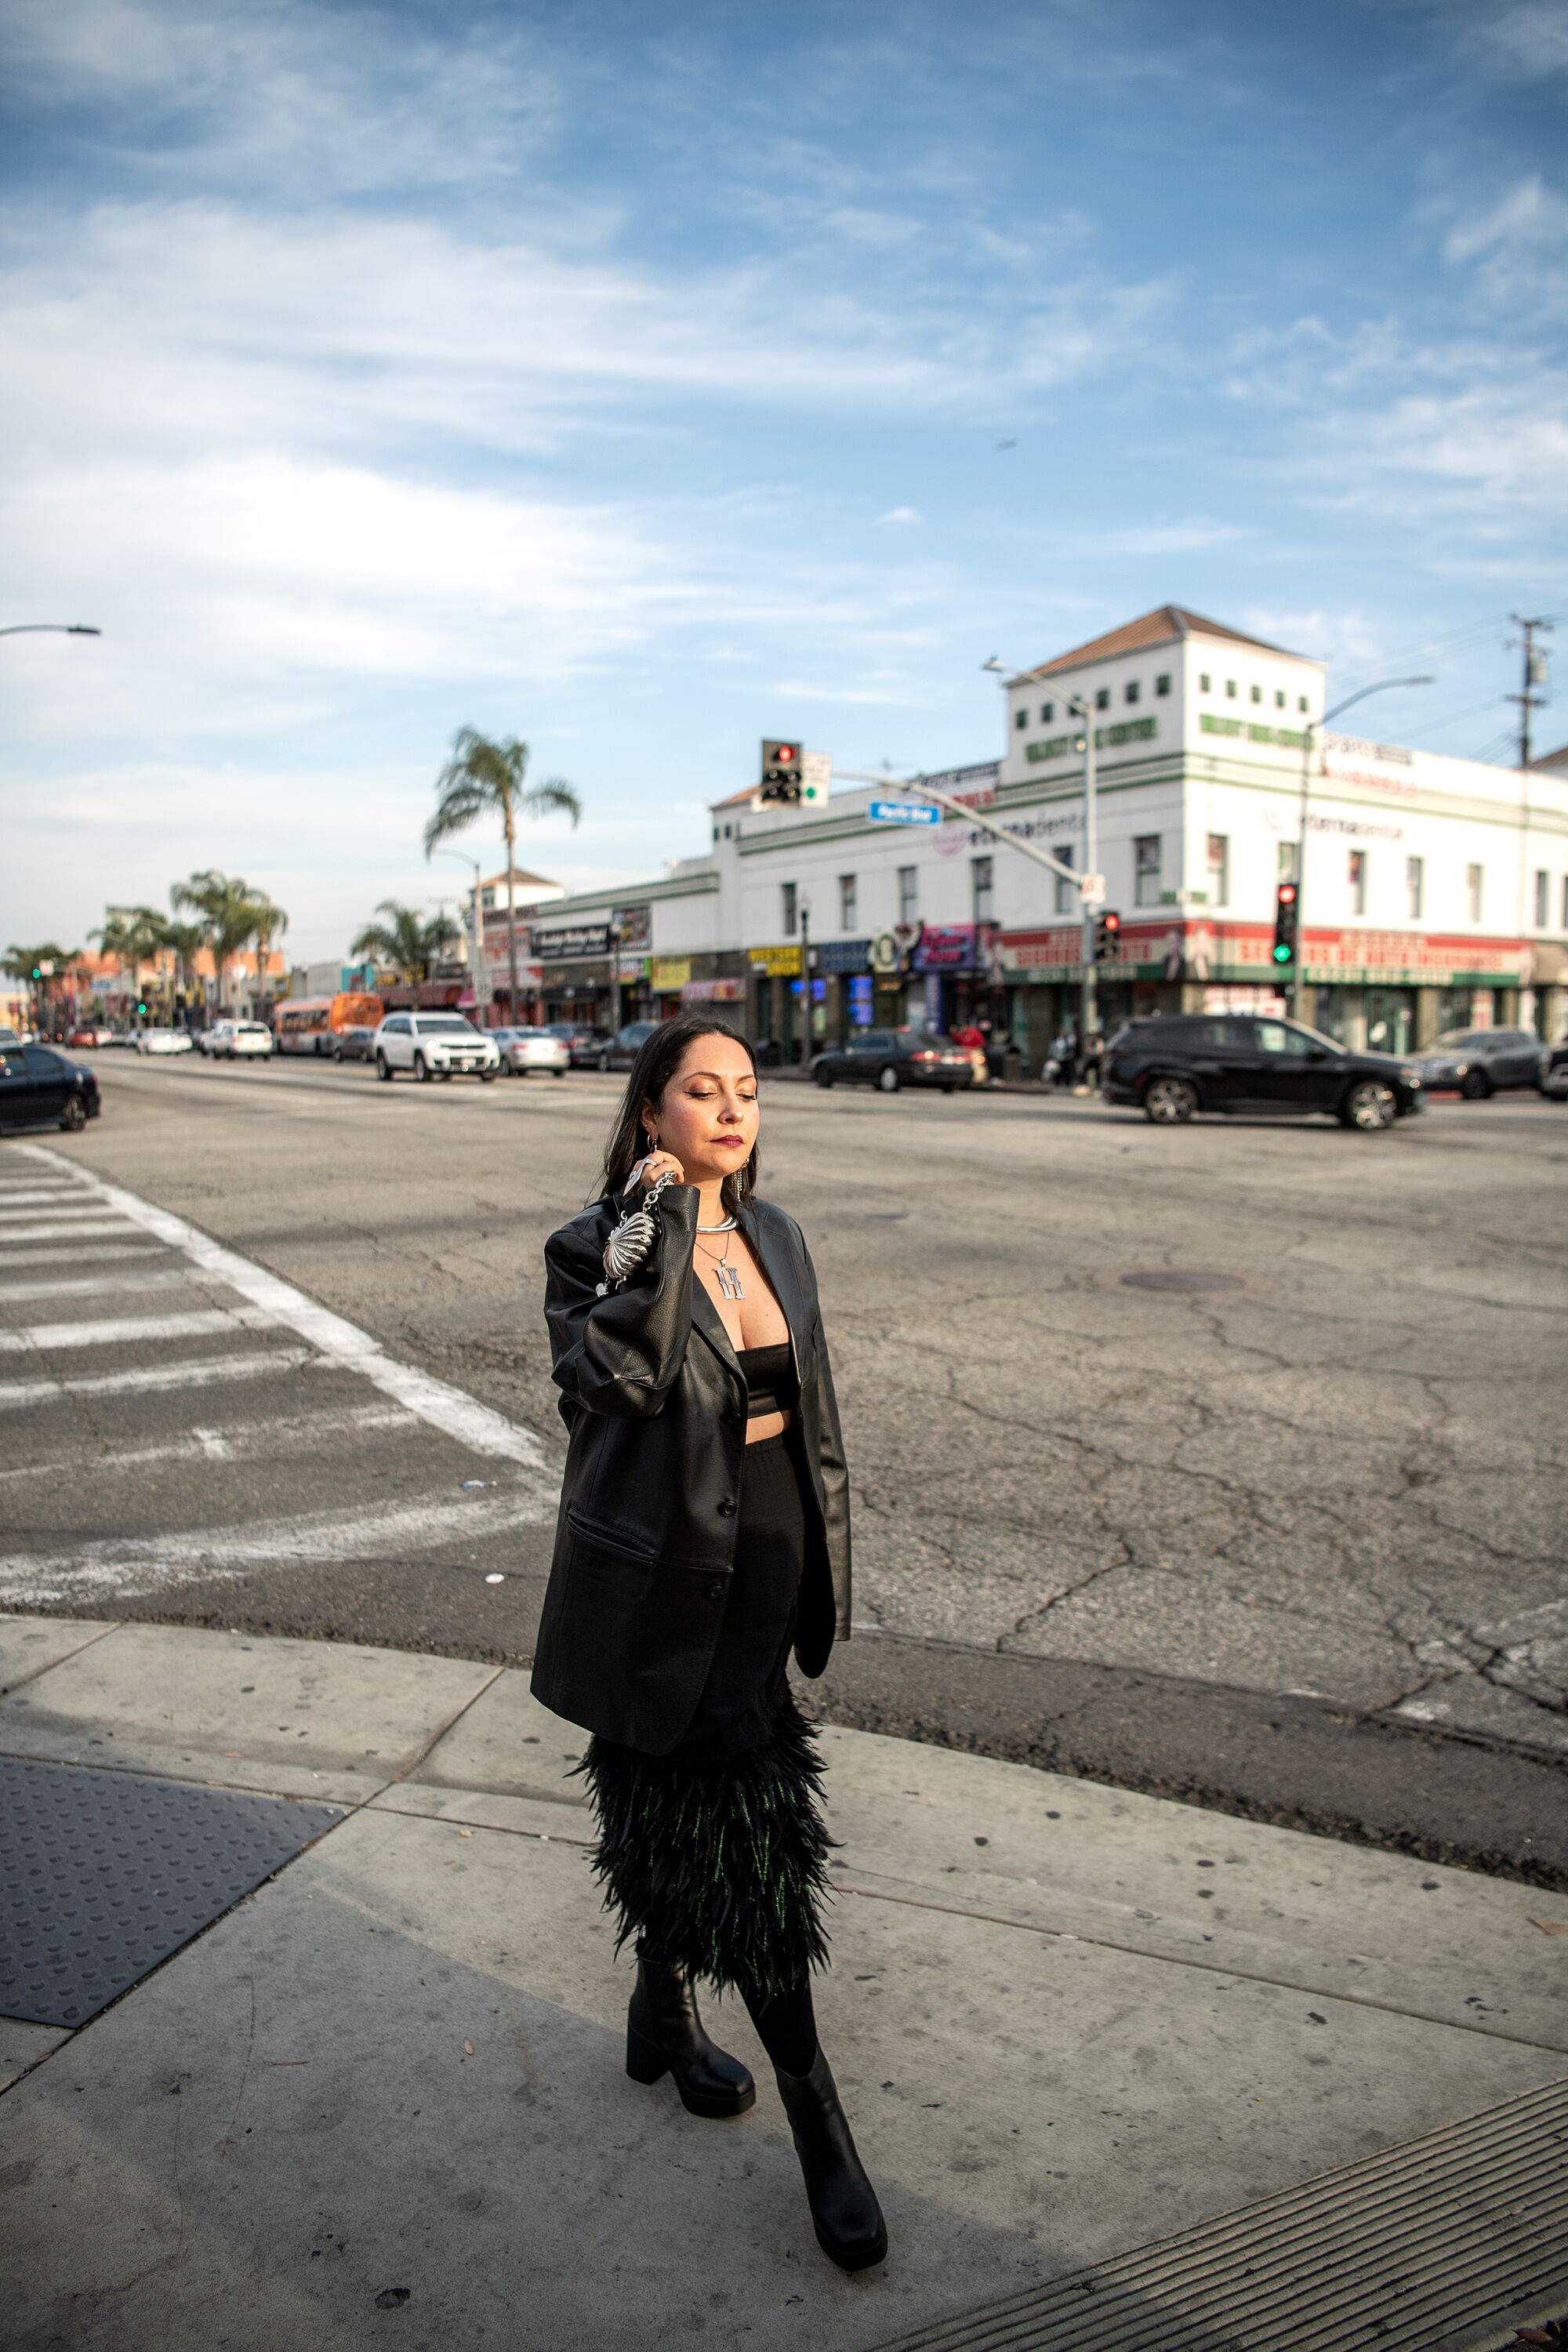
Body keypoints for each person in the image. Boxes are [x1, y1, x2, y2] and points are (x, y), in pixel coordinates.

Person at [532, 1014, 887, 2274]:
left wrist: (824, 1566)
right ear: (651, 1116)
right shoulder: (596, 1249)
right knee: (741, 1829)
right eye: (702, 1091)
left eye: (747, 1091)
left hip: (773, 1557)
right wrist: (663, 1229)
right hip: (668, 1574)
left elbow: (815, 1412)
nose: (733, 1110)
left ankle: (659, 2013)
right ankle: (821, 2130)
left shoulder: (780, 1232)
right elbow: (617, 1383)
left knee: (678, 1788)